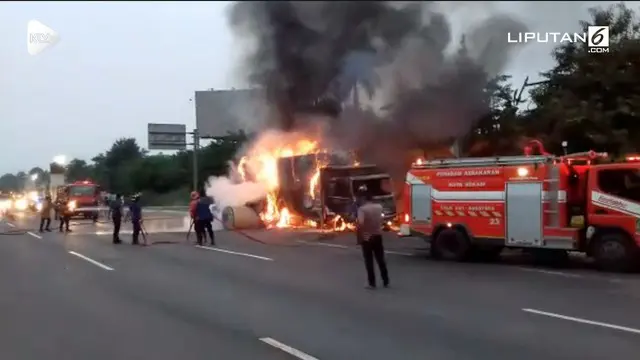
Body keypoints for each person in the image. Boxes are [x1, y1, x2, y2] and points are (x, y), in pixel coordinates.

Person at [356, 188, 389, 289]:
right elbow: (382, 220)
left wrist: (360, 237)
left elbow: (360, 224)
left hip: (367, 237)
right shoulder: (379, 207)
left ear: (364, 198)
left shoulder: (362, 209)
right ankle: (385, 280)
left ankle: (372, 283)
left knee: (369, 260)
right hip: (378, 235)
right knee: (380, 259)